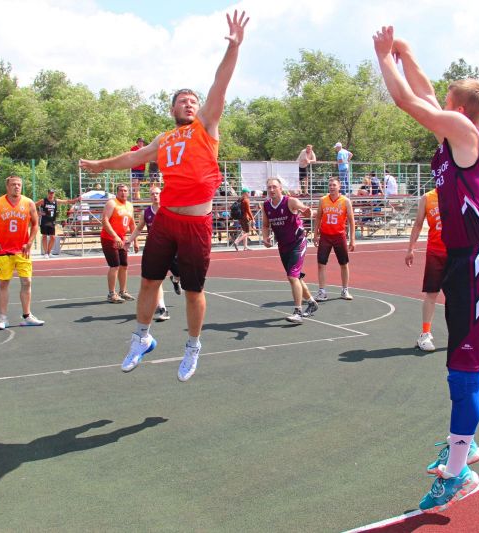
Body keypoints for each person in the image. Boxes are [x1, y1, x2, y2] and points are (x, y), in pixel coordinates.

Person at [374, 27, 479, 512]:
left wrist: (383, 58)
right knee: (463, 367)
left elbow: (408, 101)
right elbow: (426, 94)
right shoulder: (455, 135)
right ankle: (464, 446)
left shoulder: (465, 133)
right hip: (462, 261)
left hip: (476, 262)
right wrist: (407, 53)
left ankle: (458, 472)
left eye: (448, 103)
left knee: (461, 370)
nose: (439, 105)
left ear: (461, 111)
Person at [79, 10, 249, 382]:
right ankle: (141, 337)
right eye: (183, 100)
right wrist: (100, 165)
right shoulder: (165, 138)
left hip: (196, 223)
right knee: (149, 281)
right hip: (166, 219)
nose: (189, 104)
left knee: (193, 290)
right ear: (172, 108)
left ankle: (193, 346)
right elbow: (133, 158)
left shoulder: (206, 126)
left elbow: (220, 84)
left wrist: (234, 47)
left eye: (193, 100)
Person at [0, 175, 44, 330]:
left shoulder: (28, 203)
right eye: (14, 184)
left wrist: (30, 242)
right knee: (3, 283)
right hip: (4, 250)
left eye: (19, 184)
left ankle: (27, 316)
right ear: (7, 186)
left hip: (22, 250)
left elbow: (35, 224)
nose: (17, 187)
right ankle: (3, 318)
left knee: (27, 281)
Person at [262, 177, 319, 324]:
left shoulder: (290, 201)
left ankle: (298, 312)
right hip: (283, 245)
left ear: (280, 188)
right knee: (296, 277)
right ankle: (311, 303)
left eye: (274, 187)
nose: (272, 190)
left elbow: (306, 210)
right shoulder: (266, 206)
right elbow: (265, 225)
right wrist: (265, 238)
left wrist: (308, 212)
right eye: (269, 187)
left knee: (292, 277)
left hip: (297, 242)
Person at [125, 185, 180, 322]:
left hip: (171, 248)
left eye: (157, 193)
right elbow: (138, 228)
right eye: (152, 194)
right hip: (155, 249)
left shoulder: (168, 209)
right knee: (156, 281)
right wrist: (129, 240)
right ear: (149, 196)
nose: (155, 196)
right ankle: (163, 309)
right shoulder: (146, 212)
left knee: (179, 273)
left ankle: (175, 280)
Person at [405, 187, 447, 351]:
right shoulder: (427, 198)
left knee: (456, 296)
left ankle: (459, 334)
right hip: (435, 252)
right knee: (432, 293)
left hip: (456, 253)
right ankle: (425, 333)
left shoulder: (458, 193)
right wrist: (411, 248)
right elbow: (418, 224)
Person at [314, 177, 356, 302]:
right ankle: (322, 291)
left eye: (334, 185)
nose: (332, 187)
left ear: (339, 187)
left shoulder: (345, 201)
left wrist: (352, 239)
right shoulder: (323, 200)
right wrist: (315, 234)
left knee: (344, 264)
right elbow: (318, 218)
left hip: (339, 236)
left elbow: (351, 221)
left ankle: (345, 290)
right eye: (330, 185)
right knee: (321, 264)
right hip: (325, 236)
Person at [99, 184, 136, 303]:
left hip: (122, 239)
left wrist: (135, 241)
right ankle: (111, 294)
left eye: (125, 190)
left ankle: (123, 291)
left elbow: (132, 224)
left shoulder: (130, 205)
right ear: (117, 192)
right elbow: (104, 220)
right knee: (114, 265)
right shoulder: (112, 203)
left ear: (128, 192)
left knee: (124, 265)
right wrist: (115, 236)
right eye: (121, 190)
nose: (123, 192)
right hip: (109, 238)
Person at [36, 189, 78, 259]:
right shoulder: (43, 201)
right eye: (50, 193)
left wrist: (76, 200)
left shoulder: (56, 201)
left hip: (52, 221)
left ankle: (49, 252)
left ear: (54, 194)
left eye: (52, 193)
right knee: (44, 236)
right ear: (48, 193)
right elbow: (34, 205)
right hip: (44, 221)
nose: (51, 194)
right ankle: (45, 253)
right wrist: (38, 213)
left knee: (53, 237)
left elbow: (67, 201)